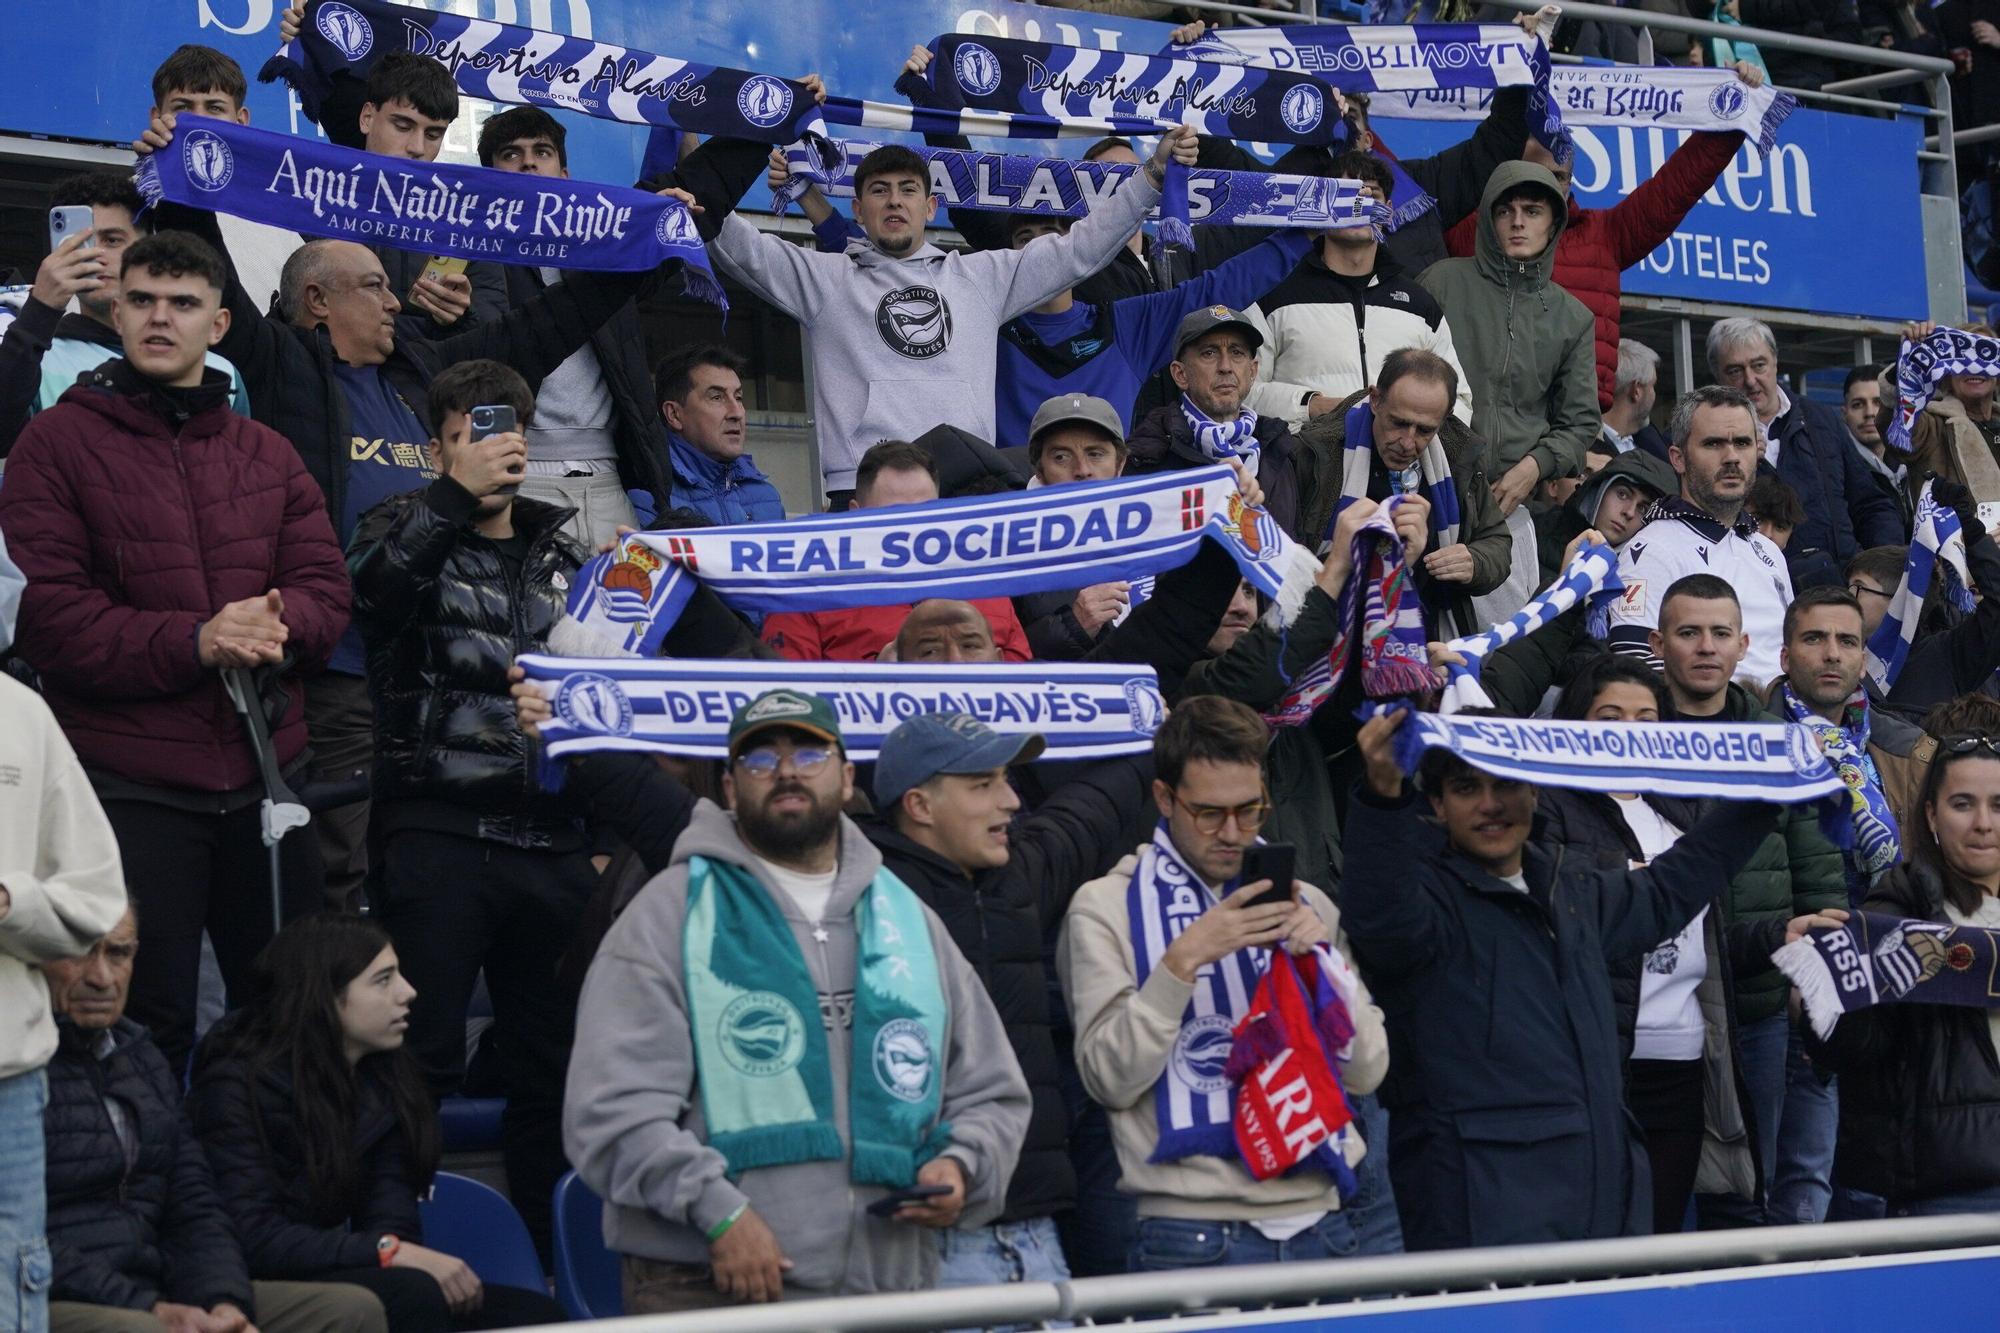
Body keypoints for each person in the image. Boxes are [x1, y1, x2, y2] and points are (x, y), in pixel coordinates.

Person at [131, 105, 754, 912]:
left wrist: (649, 241)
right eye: (372, 287)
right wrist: (183, 180)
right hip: (346, 675)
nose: (395, 300)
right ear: (316, 301)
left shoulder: (429, 369)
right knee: (346, 868)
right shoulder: (284, 366)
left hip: (442, 671)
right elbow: (207, 275)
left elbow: (560, 315)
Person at [0, 231, 350, 1074]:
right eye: (144, 299)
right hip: (129, 786)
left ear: (219, 322)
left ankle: (278, 1207)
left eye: (184, 302)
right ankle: (150, 1207)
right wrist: (197, 640)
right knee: (139, 1033)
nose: (162, 317)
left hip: (268, 778)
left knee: (293, 1028)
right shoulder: (53, 443)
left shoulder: (266, 451)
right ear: (115, 311)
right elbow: (50, 622)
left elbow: (325, 589)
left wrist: (277, 625)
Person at [564, 690, 1032, 1311]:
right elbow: (609, 1113)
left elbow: (991, 1093)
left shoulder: (905, 918)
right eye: (760, 760)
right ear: (729, 789)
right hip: (711, 1288)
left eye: (809, 753)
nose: (787, 771)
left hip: (888, 1288)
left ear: (846, 779)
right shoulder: (667, 915)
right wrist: (720, 1214)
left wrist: (961, 1169)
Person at [1342, 708, 1780, 1250]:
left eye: (1506, 782)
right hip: (1478, 1220)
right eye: (1465, 787)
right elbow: (1378, 916)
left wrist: (1769, 794)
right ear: (1435, 803)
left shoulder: (1571, 888)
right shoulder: (1420, 906)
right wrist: (1382, 798)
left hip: (1602, 1204)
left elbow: (1673, 885)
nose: (1490, 803)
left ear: (1534, 790)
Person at [345, 360, 592, 1252]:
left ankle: (540, 1258)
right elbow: (371, 596)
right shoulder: (397, 524)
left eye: (515, 423)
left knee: (554, 1070)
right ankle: (399, 1244)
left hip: (555, 844)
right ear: (441, 443)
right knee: (420, 1061)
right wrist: (449, 500)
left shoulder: (569, 554)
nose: (503, 440)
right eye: (478, 426)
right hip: (440, 833)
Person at [1059, 696, 1392, 1270]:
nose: (1233, 833)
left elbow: (1366, 1071)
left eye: (1251, 810)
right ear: (1164, 798)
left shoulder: (1305, 902)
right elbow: (1109, 1080)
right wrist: (1181, 962)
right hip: (1190, 1235)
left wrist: (1322, 969)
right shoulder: (1105, 906)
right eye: (1209, 813)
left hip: (1325, 1223)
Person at [710, 130, 1196, 504]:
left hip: (966, 484)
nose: (894, 200)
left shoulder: (981, 277)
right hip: (864, 487)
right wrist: (694, 180)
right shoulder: (824, 280)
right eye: (880, 191)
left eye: (907, 190)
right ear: (859, 210)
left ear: (931, 207)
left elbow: (1080, 249)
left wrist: (1152, 175)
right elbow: (737, 246)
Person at [1534, 657, 1848, 1234]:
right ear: (1575, 722)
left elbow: (1703, 934)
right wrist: (1626, 876)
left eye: (1645, 717)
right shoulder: (1544, 808)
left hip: (1681, 1065)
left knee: (1659, 1242)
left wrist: (1778, 936)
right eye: (1610, 716)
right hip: (1596, 1063)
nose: (1630, 730)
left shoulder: (1681, 806)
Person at [868, 709, 1155, 1293]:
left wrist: (1154, 731)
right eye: (983, 785)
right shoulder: (857, 898)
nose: (1011, 802)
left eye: (1006, 780)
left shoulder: (1017, 876)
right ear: (919, 806)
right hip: (915, 1249)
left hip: (1034, 1236)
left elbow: (1092, 808)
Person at [186, 914, 564, 1330]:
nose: (408, 992)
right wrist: (385, 1251)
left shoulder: (384, 1080)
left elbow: (392, 1221)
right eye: (383, 980)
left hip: (338, 1269)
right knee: (413, 1296)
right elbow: (251, 1236)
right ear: (324, 995)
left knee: (537, 1317)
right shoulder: (233, 1084)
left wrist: (390, 1250)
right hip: (246, 1286)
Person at [43, 910, 389, 1333]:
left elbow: (194, 1206)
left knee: (351, 1311)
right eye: (78, 954)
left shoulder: (142, 1059)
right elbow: (17, 1238)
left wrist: (222, 1301)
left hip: (158, 1289)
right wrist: (149, 1308)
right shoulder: (15, 1066)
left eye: (119, 954)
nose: (101, 977)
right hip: (49, 1298)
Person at [1638, 575, 1849, 1233]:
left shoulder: (1779, 746)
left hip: (1757, 1007)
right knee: (1659, 1192)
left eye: (1720, 633)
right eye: (1688, 632)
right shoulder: (1628, 737)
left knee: (1747, 1188)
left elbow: (1819, 873)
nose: (1706, 647)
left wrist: (1815, 977)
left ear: (1744, 644)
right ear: (1658, 642)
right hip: (1652, 1010)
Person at [1442, 63, 1766, 410]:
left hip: (1580, 424)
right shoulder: (1476, 232)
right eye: (1535, 174)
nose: (1549, 186)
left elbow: (1678, 186)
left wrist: (1734, 112)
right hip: (1495, 416)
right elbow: (1399, 190)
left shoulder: (1606, 235)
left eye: (1559, 176)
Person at [1815, 720, 2000, 1217]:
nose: (1983, 822)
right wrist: (1824, 994)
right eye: (1963, 804)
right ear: (1932, 816)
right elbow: (1851, 1048)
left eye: (1998, 805)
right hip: (1946, 1193)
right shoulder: (1898, 905)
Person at [478, 106, 678, 543]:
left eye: (542, 151)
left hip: (611, 485)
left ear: (565, 174)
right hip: (519, 478)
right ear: (489, 179)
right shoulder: (471, 262)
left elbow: (679, 209)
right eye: (511, 154)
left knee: (624, 612)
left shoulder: (606, 254)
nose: (529, 162)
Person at [1418, 162, 1599, 631]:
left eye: (1532, 211)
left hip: (1508, 510)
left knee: (1498, 655)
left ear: (1553, 223)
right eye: (1506, 211)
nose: (1518, 222)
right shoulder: (1441, 282)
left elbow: (1581, 424)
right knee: (1412, 646)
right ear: (1489, 220)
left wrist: (1532, 468)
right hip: (1425, 493)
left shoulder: (1573, 317)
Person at [1, 675, 128, 1333]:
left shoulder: (21, 710)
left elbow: (96, 899)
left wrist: (8, 901)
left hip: (9, 1084)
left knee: (14, 1294)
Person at [0, 170, 248, 456]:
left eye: (113, 240)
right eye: (79, 243)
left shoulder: (220, 372)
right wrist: (40, 309)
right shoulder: (30, 360)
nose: (96, 255)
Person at [276, 36, 505, 337]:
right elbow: (285, 307)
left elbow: (497, 325)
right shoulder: (314, 200)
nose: (417, 147)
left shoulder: (466, 221)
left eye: (433, 134)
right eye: (403, 126)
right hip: (330, 376)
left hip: (431, 379)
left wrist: (463, 316)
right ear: (367, 117)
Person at [1236, 151, 1471, 432]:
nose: (1359, 205)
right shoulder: (1272, 295)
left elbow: (1459, 401)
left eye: (1371, 196)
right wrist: (1311, 406)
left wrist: (1411, 435)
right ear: (1323, 205)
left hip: (1400, 470)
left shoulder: (1419, 303)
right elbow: (1239, 393)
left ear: (1389, 211)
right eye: (1346, 194)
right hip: (1302, 467)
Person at [1294, 350, 1511, 637]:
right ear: (1375, 400)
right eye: (1397, 423)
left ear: (1445, 419)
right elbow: (1284, 563)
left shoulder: (1459, 455)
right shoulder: (1316, 453)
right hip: (1329, 636)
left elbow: (1497, 540)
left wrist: (1474, 561)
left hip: (1428, 639)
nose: (1407, 442)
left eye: (1424, 430)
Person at [761, 440, 1033, 662]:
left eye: (926, 514)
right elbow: (786, 699)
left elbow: (1025, 690)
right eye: (895, 518)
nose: (912, 532)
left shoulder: (983, 584)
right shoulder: (806, 595)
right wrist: (876, 681)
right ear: (855, 515)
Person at [1604, 385, 1793, 687]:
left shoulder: (1768, 550)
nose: (1732, 457)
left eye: (1742, 443)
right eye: (1714, 444)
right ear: (1678, 459)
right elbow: (1635, 670)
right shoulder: (1649, 550)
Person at [1708, 318, 1907, 588]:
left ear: (1775, 362)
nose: (1750, 380)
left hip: (1839, 591)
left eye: (1759, 365)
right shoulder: (1704, 437)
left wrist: (1884, 569)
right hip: (1755, 595)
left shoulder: (1819, 418)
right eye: (1734, 371)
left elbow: (1870, 504)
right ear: (1717, 376)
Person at [1125, 307, 1319, 543]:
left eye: (1237, 352)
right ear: (1180, 374)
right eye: (1209, 353)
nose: (1226, 366)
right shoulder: (1146, 455)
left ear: (1252, 371)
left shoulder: (1282, 448)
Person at [148, 44, 295, 315]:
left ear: (241, 121)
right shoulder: (128, 202)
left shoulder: (281, 218)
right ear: (157, 117)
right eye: (184, 107)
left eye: (215, 108)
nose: (200, 121)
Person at [1847, 487, 2000, 717]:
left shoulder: (1947, 655)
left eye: (1857, 588)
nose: (1845, 598)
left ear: (1899, 600)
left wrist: (1973, 532)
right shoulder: (1838, 658)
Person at [1012, 394, 1138, 660]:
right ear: (1039, 469)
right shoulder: (1006, 545)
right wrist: (1075, 624)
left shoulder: (1158, 526)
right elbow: (998, 654)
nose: (1082, 470)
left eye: (1095, 454)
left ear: (1120, 464)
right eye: (1061, 457)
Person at [654, 344, 785, 527]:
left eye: (738, 398)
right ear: (674, 414)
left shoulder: (766, 496)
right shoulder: (649, 490)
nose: (736, 412)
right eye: (716, 397)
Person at [1880, 321, 2000, 506]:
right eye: (1961, 357)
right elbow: (1895, 428)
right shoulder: (1931, 426)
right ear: (1945, 373)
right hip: (1960, 535)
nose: (1973, 366)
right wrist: (1911, 357)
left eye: (1984, 355)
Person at [1531, 446, 1677, 586]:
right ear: (1598, 492)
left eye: (1643, 509)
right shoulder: (1532, 532)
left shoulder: (1640, 577)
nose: (1629, 512)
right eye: (1622, 494)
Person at [1602, 340, 1670, 460]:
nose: (1654, 394)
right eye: (1652, 386)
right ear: (1636, 390)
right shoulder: (1584, 447)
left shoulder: (1652, 443)